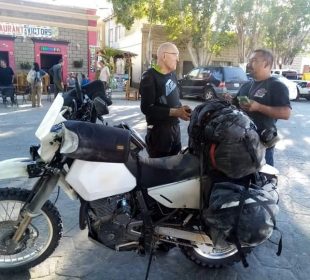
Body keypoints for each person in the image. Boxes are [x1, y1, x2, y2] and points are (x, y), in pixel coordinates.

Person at [235, 49, 291, 166]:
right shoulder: (246, 85)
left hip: (263, 143)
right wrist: (228, 99)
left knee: (264, 179)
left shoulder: (276, 85)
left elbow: (286, 113)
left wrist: (258, 107)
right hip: (242, 142)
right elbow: (234, 103)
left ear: (266, 64)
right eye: (249, 61)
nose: (249, 64)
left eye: (254, 60)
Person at [139, 42, 191, 158]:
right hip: (159, 133)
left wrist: (181, 110)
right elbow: (146, 108)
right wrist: (175, 112)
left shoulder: (172, 75)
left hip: (174, 129)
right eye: (175, 55)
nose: (178, 59)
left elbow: (173, 98)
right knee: (159, 170)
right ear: (164, 56)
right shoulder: (149, 76)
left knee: (174, 166)